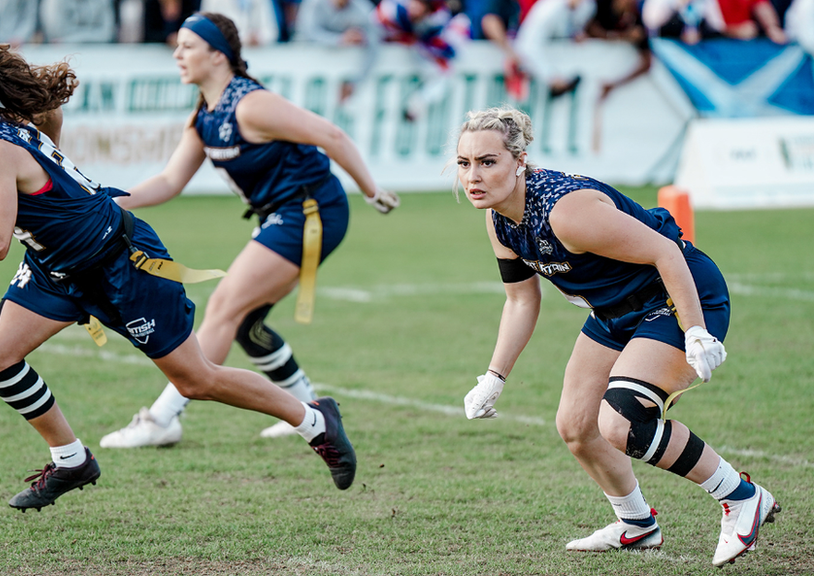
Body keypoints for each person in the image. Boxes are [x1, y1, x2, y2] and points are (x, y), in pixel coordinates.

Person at [0, 43, 359, 512]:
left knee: (196, 380)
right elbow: (49, 118)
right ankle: (71, 459)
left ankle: (315, 420)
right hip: (57, 265)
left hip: (122, 264)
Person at [456, 106, 780, 567]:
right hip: (613, 311)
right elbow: (522, 301)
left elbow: (667, 253)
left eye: (488, 162)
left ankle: (741, 496)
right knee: (576, 427)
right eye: (465, 163)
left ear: (520, 160)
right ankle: (637, 524)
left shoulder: (567, 213)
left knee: (621, 422)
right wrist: (494, 377)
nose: (474, 175)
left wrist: (695, 332)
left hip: (675, 295)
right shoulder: (499, 220)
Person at [99, 13, 399, 448]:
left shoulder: (250, 104)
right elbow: (168, 182)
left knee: (224, 304)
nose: (177, 53)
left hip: (311, 211)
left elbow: (330, 134)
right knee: (246, 322)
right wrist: (102, 201)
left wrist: (371, 190)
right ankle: (310, 412)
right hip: (282, 215)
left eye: (188, 46)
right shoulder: (205, 112)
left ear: (218, 55)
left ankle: (162, 419)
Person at [295, 0, 381, 102]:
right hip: (308, 73)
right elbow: (308, 33)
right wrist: (340, 40)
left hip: (343, 77)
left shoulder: (362, 8)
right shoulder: (314, 4)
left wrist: (355, 81)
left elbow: (374, 41)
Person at [513, 0, 595, 99]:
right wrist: (550, 76)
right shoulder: (549, 9)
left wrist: (576, 34)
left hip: (562, 68)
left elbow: (574, 29)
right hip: (539, 72)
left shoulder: (587, 7)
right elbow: (527, 46)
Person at [39, 0, 117, 43]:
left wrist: (69, 40)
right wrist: (92, 35)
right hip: (63, 56)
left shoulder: (103, 2)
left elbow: (107, 33)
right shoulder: (55, 3)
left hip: (101, 53)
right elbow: (58, 33)